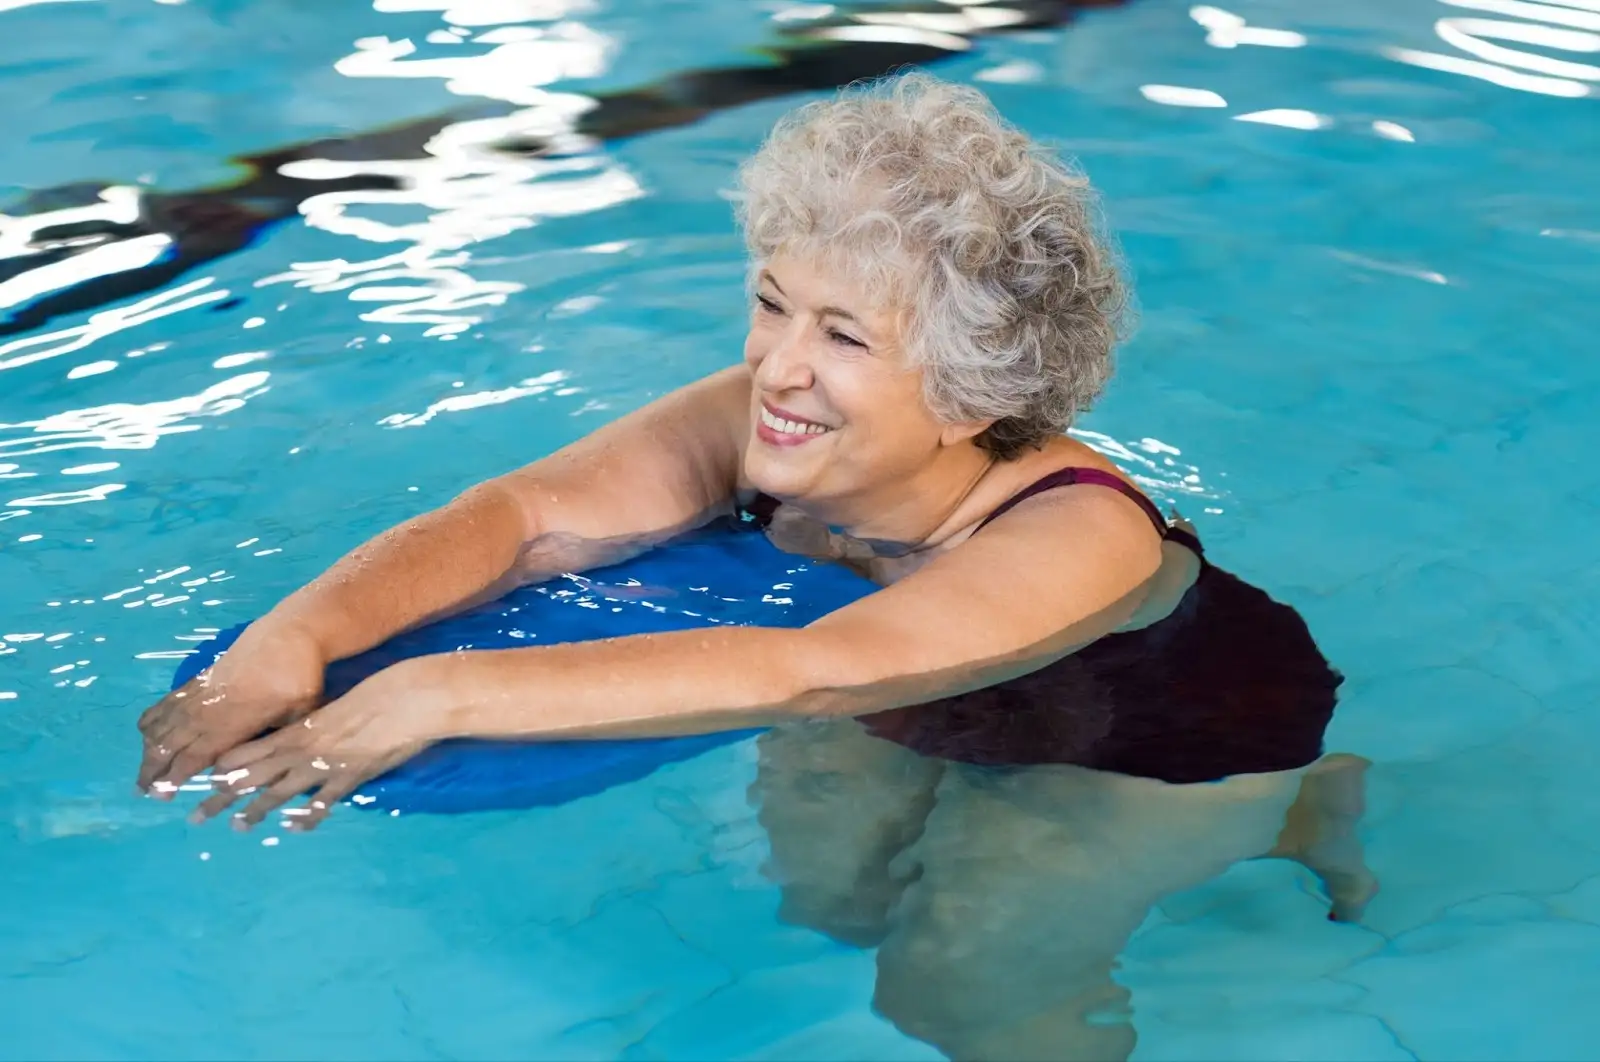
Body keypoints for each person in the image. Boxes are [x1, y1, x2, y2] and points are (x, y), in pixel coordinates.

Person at [137, 72, 1373, 1059]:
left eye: (840, 334)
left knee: (953, 993)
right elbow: (520, 517)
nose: (777, 364)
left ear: (965, 388)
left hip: (1147, 733)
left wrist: (439, 690)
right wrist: (289, 638)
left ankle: (1288, 804)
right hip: (900, 684)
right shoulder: (768, 416)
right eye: (773, 302)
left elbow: (820, 670)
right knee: (828, 907)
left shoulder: (1074, 531)